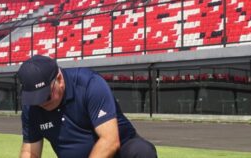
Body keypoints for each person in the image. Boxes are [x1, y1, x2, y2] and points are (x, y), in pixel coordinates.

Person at [17, 55, 157, 158]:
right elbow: (30, 152)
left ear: (59, 79)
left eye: (45, 96)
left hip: (120, 152)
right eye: (35, 99)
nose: (41, 103)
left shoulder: (89, 84)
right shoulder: (31, 108)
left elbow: (109, 141)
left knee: (142, 152)